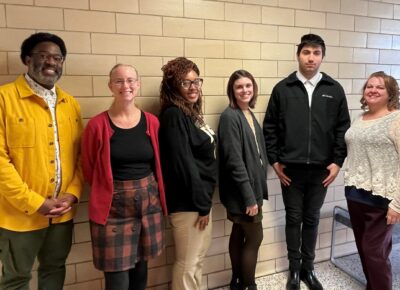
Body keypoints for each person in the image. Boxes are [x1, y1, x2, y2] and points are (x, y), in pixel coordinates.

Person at [263, 34, 350, 290]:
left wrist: (337, 162)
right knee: (293, 218)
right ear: (298, 54)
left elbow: (342, 129)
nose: (311, 57)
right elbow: (270, 128)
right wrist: (275, 161)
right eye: (306, 52)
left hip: (322, 171)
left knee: (311, 219)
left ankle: (308, 269)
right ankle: (293, 270)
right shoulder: (283, 89)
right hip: (291, 170)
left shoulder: (334, 90)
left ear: (322, 56)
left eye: (316, 53)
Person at [0, 32, 83, 290]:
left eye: (57, 58)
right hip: (18, 215)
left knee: (54, 271)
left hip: (61, 215)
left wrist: (72, 194)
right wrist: (36, 203)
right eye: (43, 56)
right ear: (27, 59)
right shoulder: (4, 99)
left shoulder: (70, 104)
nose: (51, 62)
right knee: (15, 279)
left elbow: (81, 158)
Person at [81, 64, 167, 290]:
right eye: (119, 81)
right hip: (113, 210)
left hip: (148, 206)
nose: (125, 85)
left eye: (130, 80)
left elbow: (158, 163)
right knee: (117, 279)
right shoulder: (97, 125)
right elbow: (89, 169)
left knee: (141, 272)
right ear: (110, 85)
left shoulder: (152, 122)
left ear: (137, 85)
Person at [158, 57, 217, 290]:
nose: (193, 88)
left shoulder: (190, 113)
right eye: (186, 83)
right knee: (187, 264)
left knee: (197, 261)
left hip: (199, 200)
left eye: (196, 81)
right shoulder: (174, 115)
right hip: (189, 203)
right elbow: (183, 165)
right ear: (174, 86)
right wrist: (202, 204)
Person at [344, 71, 400, 290]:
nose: (373, 90)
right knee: (364, 249)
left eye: (380, 87)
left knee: (374, 252)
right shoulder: (360, 118)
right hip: (356, 194)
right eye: (369, 86)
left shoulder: (396, 120)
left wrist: (397, 204)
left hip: (383, 198)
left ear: (390, 93)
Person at [218, 70, 268, 290]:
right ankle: (250, 285)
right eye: (239, 87)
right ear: (232, 90)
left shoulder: (247, 113)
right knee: (255, 238)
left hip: (250, 189)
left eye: (248, 85)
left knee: (239, 231)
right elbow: (234, 161)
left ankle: (237, 282)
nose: (245, 90)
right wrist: (249, 198)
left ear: (254, 88)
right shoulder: (230, 116)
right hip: (243, 192)